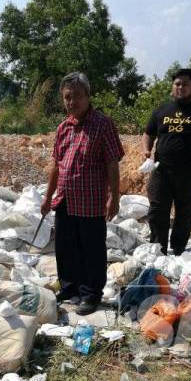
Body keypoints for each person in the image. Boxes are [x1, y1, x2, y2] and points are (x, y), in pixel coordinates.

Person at [41, 72, 124, 316]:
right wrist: (47, 197)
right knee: (66, 247)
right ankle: (69, 287)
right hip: (65, 198)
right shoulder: (63, 127)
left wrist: (114, 197)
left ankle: (90, 294)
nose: (71, 102)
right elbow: (56, 164)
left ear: (88, 96)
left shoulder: (102, 124)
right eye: (67, 97)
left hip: (90, 200)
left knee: (92, 249)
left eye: (77, 96)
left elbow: (112, 163)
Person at [141, 68, 191, 256]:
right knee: (157, 209)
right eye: (177, 84)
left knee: (184, 211)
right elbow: (148, 134)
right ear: (172, 86)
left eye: (185, 84)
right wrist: (146, 150)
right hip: (161, 170)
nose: (180, 87)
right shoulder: (162, 110)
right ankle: (157, 249)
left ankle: (178, 250)